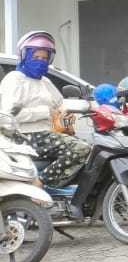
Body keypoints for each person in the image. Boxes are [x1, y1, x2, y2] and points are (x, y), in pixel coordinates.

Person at [0, 31, 91, 191]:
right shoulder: (15, 79)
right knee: (81, 148)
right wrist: (44, 112)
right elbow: (9, 115)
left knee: (90, 148)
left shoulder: (45, 81)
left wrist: (72, 116)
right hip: (24, 135)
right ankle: (40, 183)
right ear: (24, 56)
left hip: (45, 134)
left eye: (44, 58)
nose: (41, 61)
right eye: (36, 57)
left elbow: (60, 105)